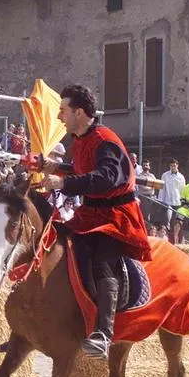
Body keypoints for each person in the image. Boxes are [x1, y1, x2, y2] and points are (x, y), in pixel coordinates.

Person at [42, 85, 151, 359]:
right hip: (90, 214)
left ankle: (103, 333)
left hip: (115, 217)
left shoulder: (106, 140)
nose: (59, 117)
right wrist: (58, 168)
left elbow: (105, 178)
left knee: (103, 264)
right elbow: (85, 171)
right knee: (55, 244)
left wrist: (64, 182)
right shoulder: (80, 141)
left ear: (79, 113)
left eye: (63, 111)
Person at [157, 159, 185, 243]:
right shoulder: (165, 175)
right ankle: (165, 239)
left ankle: (177, 240)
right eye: (171, 166)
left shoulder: (181, 177)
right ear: (169, 166)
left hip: (177, 201)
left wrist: (183, 202)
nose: (173, 167)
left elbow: (182, 189)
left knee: (178, 221)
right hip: (167, 201)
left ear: (177, 166)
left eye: (174, 165)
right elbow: (162, 188)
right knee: (166, 220)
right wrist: (161, 200)